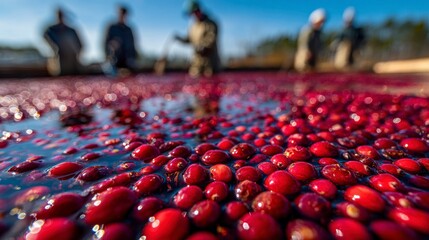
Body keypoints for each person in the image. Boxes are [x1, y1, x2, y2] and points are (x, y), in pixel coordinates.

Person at [175, 0, 221, 78]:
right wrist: (179, 39)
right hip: (197, 64)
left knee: (211, 86)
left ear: (198, 10)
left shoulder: (211, 24)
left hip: (210, 65)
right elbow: (189, 39)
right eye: (190, 15)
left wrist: (202, 47)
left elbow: (211, 40)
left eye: (193, 13)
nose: (192, 16)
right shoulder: (193, 27)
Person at [44, 8, 83, 76]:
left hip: (73, 58)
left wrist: (78, 52)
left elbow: (80, 44)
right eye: (59, 15)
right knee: (62, 77)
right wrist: (55, 48)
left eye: (62, 15)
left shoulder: (71, 30)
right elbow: (46, 36)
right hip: (60, 58)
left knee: (75, 77)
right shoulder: (52, 29)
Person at [104, 5, 137, 74]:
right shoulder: (111, 28)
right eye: (121, 14)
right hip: (113, 62)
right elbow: (105, 43)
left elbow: (133, 47)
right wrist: (110, 49)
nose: (122, 16)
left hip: (127, 62)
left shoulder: (129, 30)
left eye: (124, 15)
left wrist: (132, 59)